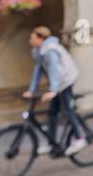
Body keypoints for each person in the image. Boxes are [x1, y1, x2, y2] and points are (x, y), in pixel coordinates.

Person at [23, 26, 85, 155]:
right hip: (57, 83)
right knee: (52, 113)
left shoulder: (50, 50)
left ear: (41, 38)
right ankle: (51, 143)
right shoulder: (39, 50)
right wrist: (31, 90)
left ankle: (80, 139)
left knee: (67, 111)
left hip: (66, 80)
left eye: (32, 37)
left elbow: (54, 70)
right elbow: (38, 70)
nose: (30, 40)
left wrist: (53, 90)